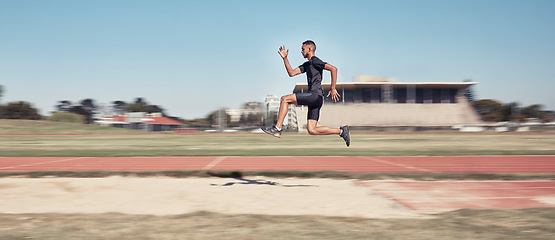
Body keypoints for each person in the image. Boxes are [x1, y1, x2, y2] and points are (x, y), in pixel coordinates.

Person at [261, 40, 350, 147]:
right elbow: (292, 73)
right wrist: (285, 59)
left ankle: (278, 128)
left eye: (303, 49)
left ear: (310, 49)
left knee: (285, 99)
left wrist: (333, 88)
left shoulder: (315, 61)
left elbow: (333, 69)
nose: (301, 51)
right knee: (312, 130)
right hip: (316, 99)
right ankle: (341, 131)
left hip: (314, 96)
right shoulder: (307, 64)